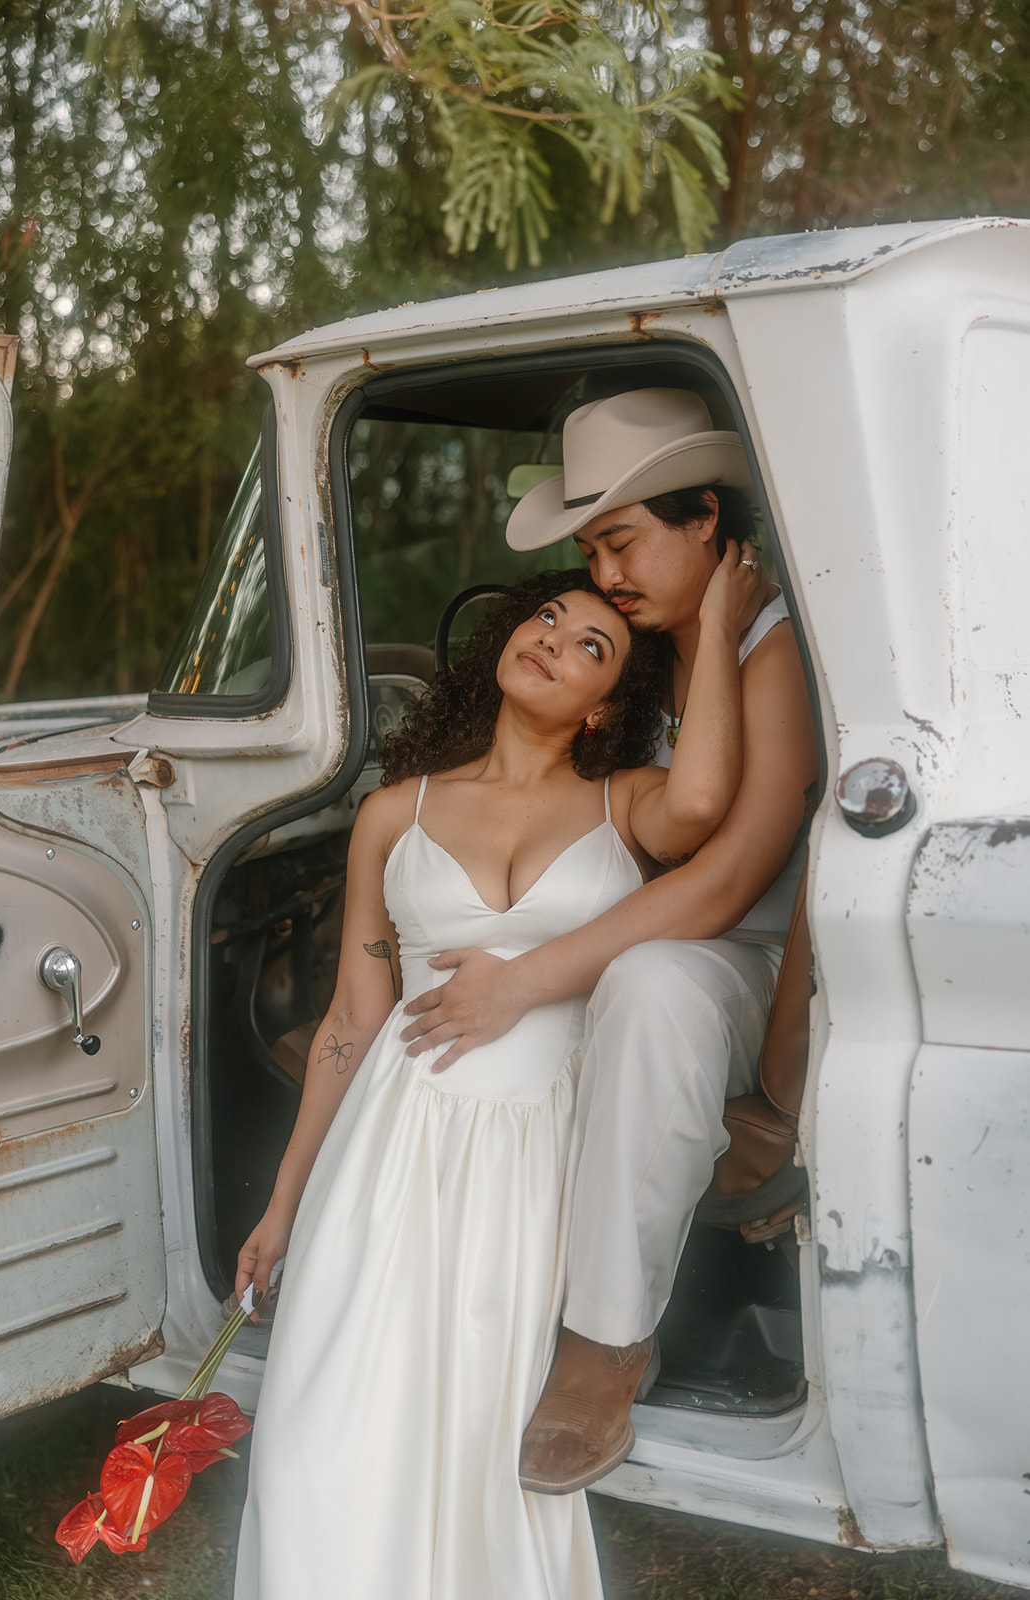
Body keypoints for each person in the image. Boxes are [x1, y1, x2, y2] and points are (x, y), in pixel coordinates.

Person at [233, 556, 763, 1600]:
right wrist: (284, 1203)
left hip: (538, 1152)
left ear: (604, 707)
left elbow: (705, 799)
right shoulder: (394, 813)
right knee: (319, 1429)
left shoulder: (625, 803)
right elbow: (351, 1019)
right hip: (392, 1149)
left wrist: (712, 623)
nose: (552, 640)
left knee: (480, 1440)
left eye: (588, 646)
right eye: (546, 619)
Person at [397, 388, 819, 1494]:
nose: (606, 570)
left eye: (623, 540)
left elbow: (726, 879)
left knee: (651, 982)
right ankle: (431, 1308)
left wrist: (523, 979)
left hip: (755, 964)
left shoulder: (769, 646)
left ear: (706, 522)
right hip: (648, 946)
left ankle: (603, 1344)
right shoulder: (635, 652)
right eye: (590, 549)